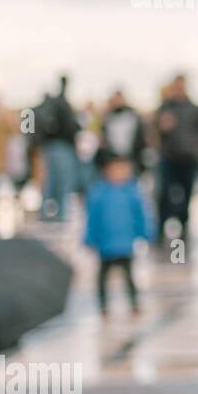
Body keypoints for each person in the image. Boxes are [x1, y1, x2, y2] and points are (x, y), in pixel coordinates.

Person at [84, 154, 154, 316]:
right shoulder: (98, 194)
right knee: (102, 277)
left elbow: (141, 217)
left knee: (129, 276)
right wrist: (89, 238)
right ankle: (102, 305)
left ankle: (134, 303)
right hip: (105, 246)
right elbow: (92, 219)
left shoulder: (132, 193)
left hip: (125, 245)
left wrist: (146, 234)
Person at [153, 74, 198, 247]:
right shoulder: (165, 108)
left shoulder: (195, 109)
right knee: (164, 194)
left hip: (189, 159)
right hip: (169, 157)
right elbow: (154, 131)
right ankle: (161, 228)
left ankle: (183, 228)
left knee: (186, 194)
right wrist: (162, 127)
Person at [33, 75, 79, 221]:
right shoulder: (61, 104)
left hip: (50, 147)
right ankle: (60, 215)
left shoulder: (47, 106)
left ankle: (45, 214)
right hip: (61, 146)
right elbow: (70, 127)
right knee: (62, 181)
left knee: (50, 181)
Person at [96, 89, 148, 177]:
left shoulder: (133, 116)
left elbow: (140, 136)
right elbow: (104, 137)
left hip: (130, 156)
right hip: (113, 156)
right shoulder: (108, 117)